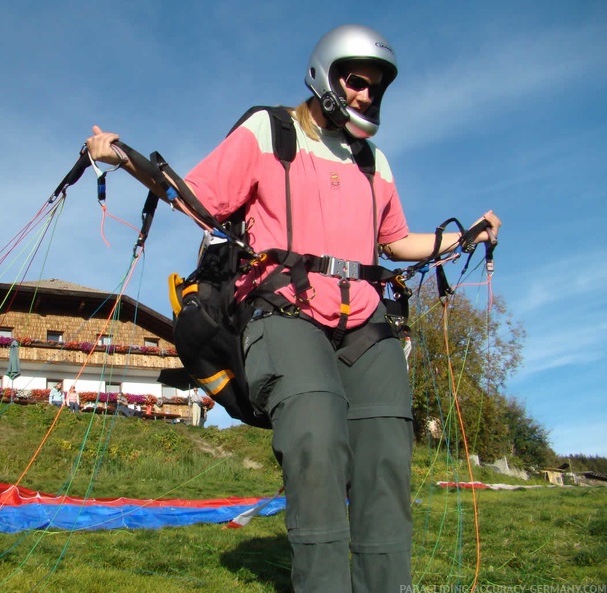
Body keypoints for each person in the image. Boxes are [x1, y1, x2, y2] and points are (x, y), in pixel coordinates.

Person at [86, 24, 501, 593]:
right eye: (356, 82)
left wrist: (467, 236)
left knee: (386, 450)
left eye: (376, 89)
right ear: (326, 74)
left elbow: (397, 242)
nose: (365, 95)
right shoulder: (270, 131)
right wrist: (120, 156)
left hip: (365, 322)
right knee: (317, 434)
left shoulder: (373, 162)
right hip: (282, 312)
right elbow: (198, 197)